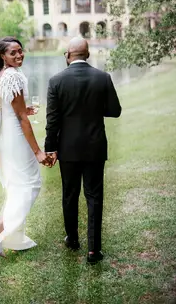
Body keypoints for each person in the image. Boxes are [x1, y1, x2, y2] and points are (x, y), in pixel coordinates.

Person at [45, 37, 121, 264]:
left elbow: (52, 120)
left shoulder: (56, 81)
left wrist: (51, 149)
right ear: (87, 55)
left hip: (67, 148)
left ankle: (73, 239)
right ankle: (93, 250)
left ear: (68, 55)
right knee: (94, 196)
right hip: (95, 146)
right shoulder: (103, 77)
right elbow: (115, 110)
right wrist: (93, 110)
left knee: (70, 195)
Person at [0, 36, 51, 257]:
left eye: (20, 51)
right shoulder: (12, 76)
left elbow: (4, 106)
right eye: (13, 53)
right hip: (15, 137)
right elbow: (22, 119)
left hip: (4, 136)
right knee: (29, 184)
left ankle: (4, 233)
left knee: (16, 186)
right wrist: (38, 151)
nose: (19, 55)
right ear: (2, 55)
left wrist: (23, 109)